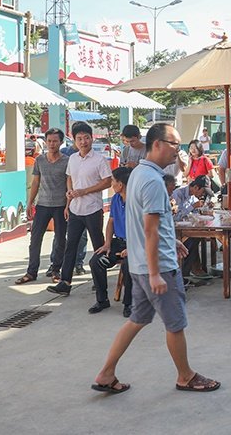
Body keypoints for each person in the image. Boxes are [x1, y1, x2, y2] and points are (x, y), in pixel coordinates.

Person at [91, 123, 220, 395]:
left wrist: (170, 239)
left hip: (140, 265)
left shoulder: (140, 174)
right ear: (157, 144)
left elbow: (147, 223)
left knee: (137, 319)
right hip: (157, 268)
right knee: (175, 324)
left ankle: (106, 373)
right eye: (174, 144)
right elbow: (149, 229)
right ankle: (185, 376)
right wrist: (155, 273)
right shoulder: (152, 181)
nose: (178, 151)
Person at [48, 122, 112, 296]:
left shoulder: (99, 160)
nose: (83, 142)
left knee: (98, 246)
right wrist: (69, 198)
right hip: (76, 209)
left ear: (92, 138)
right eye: (79, 139)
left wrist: (85, 191)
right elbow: (69, 178)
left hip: (93, 208)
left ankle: (100, 282)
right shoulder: (73, 159)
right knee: (71, 246)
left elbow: (107, 181)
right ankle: (65, 282)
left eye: (86, 138)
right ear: (74, 141)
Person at [16, 128, 69, 285]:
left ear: (61, 142)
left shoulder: (67, 161)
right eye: (49, 141)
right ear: (45, 142)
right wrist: (30, 202)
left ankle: (55, 270)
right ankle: (31, 272)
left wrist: (68, 205)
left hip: (60, 205)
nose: (52, 144)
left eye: (55, 141)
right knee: (35, 239)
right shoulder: (40, 160)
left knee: (60, 240)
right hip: (42, 205)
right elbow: (36, 182)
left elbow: (69, 184)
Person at [88, 167, 134, 314]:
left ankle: (129, 304)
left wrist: (133, 247)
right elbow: (111, 222)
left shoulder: (137, 201)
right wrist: (107, 243)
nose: (111, 183)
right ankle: (102, 300)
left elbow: (145, 228)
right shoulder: (116, 199)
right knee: (96, 261)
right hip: (119, 242)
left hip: (137, 244)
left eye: (113, 181)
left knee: (128, 266)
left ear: (121, 184)